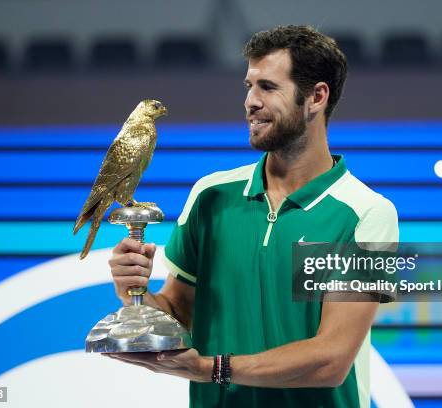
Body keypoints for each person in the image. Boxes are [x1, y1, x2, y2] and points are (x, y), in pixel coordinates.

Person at [106, 25, 398, 408]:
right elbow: (179, 311)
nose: (250, 102)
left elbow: (331, 359)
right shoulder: (211, 196)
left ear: (316, 97)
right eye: (248, 86)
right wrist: (134, 294)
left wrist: (215, 369)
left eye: (268, 87)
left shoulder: (366, 213)